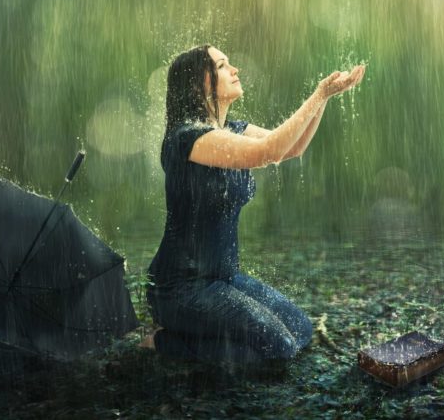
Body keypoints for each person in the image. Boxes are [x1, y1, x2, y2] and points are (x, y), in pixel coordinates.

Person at [141, 44, 365, 364]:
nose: (235, 70)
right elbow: (269, 151)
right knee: (279, 350)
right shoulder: (188, 138)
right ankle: (163, 342)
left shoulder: (231, 130)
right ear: (200, 81)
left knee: (300, 330)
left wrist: (325, 98)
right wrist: (316, 94)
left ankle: (199, 333)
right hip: (182, 288)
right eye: (222, 65)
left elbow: (291, 148)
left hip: (224, 277)